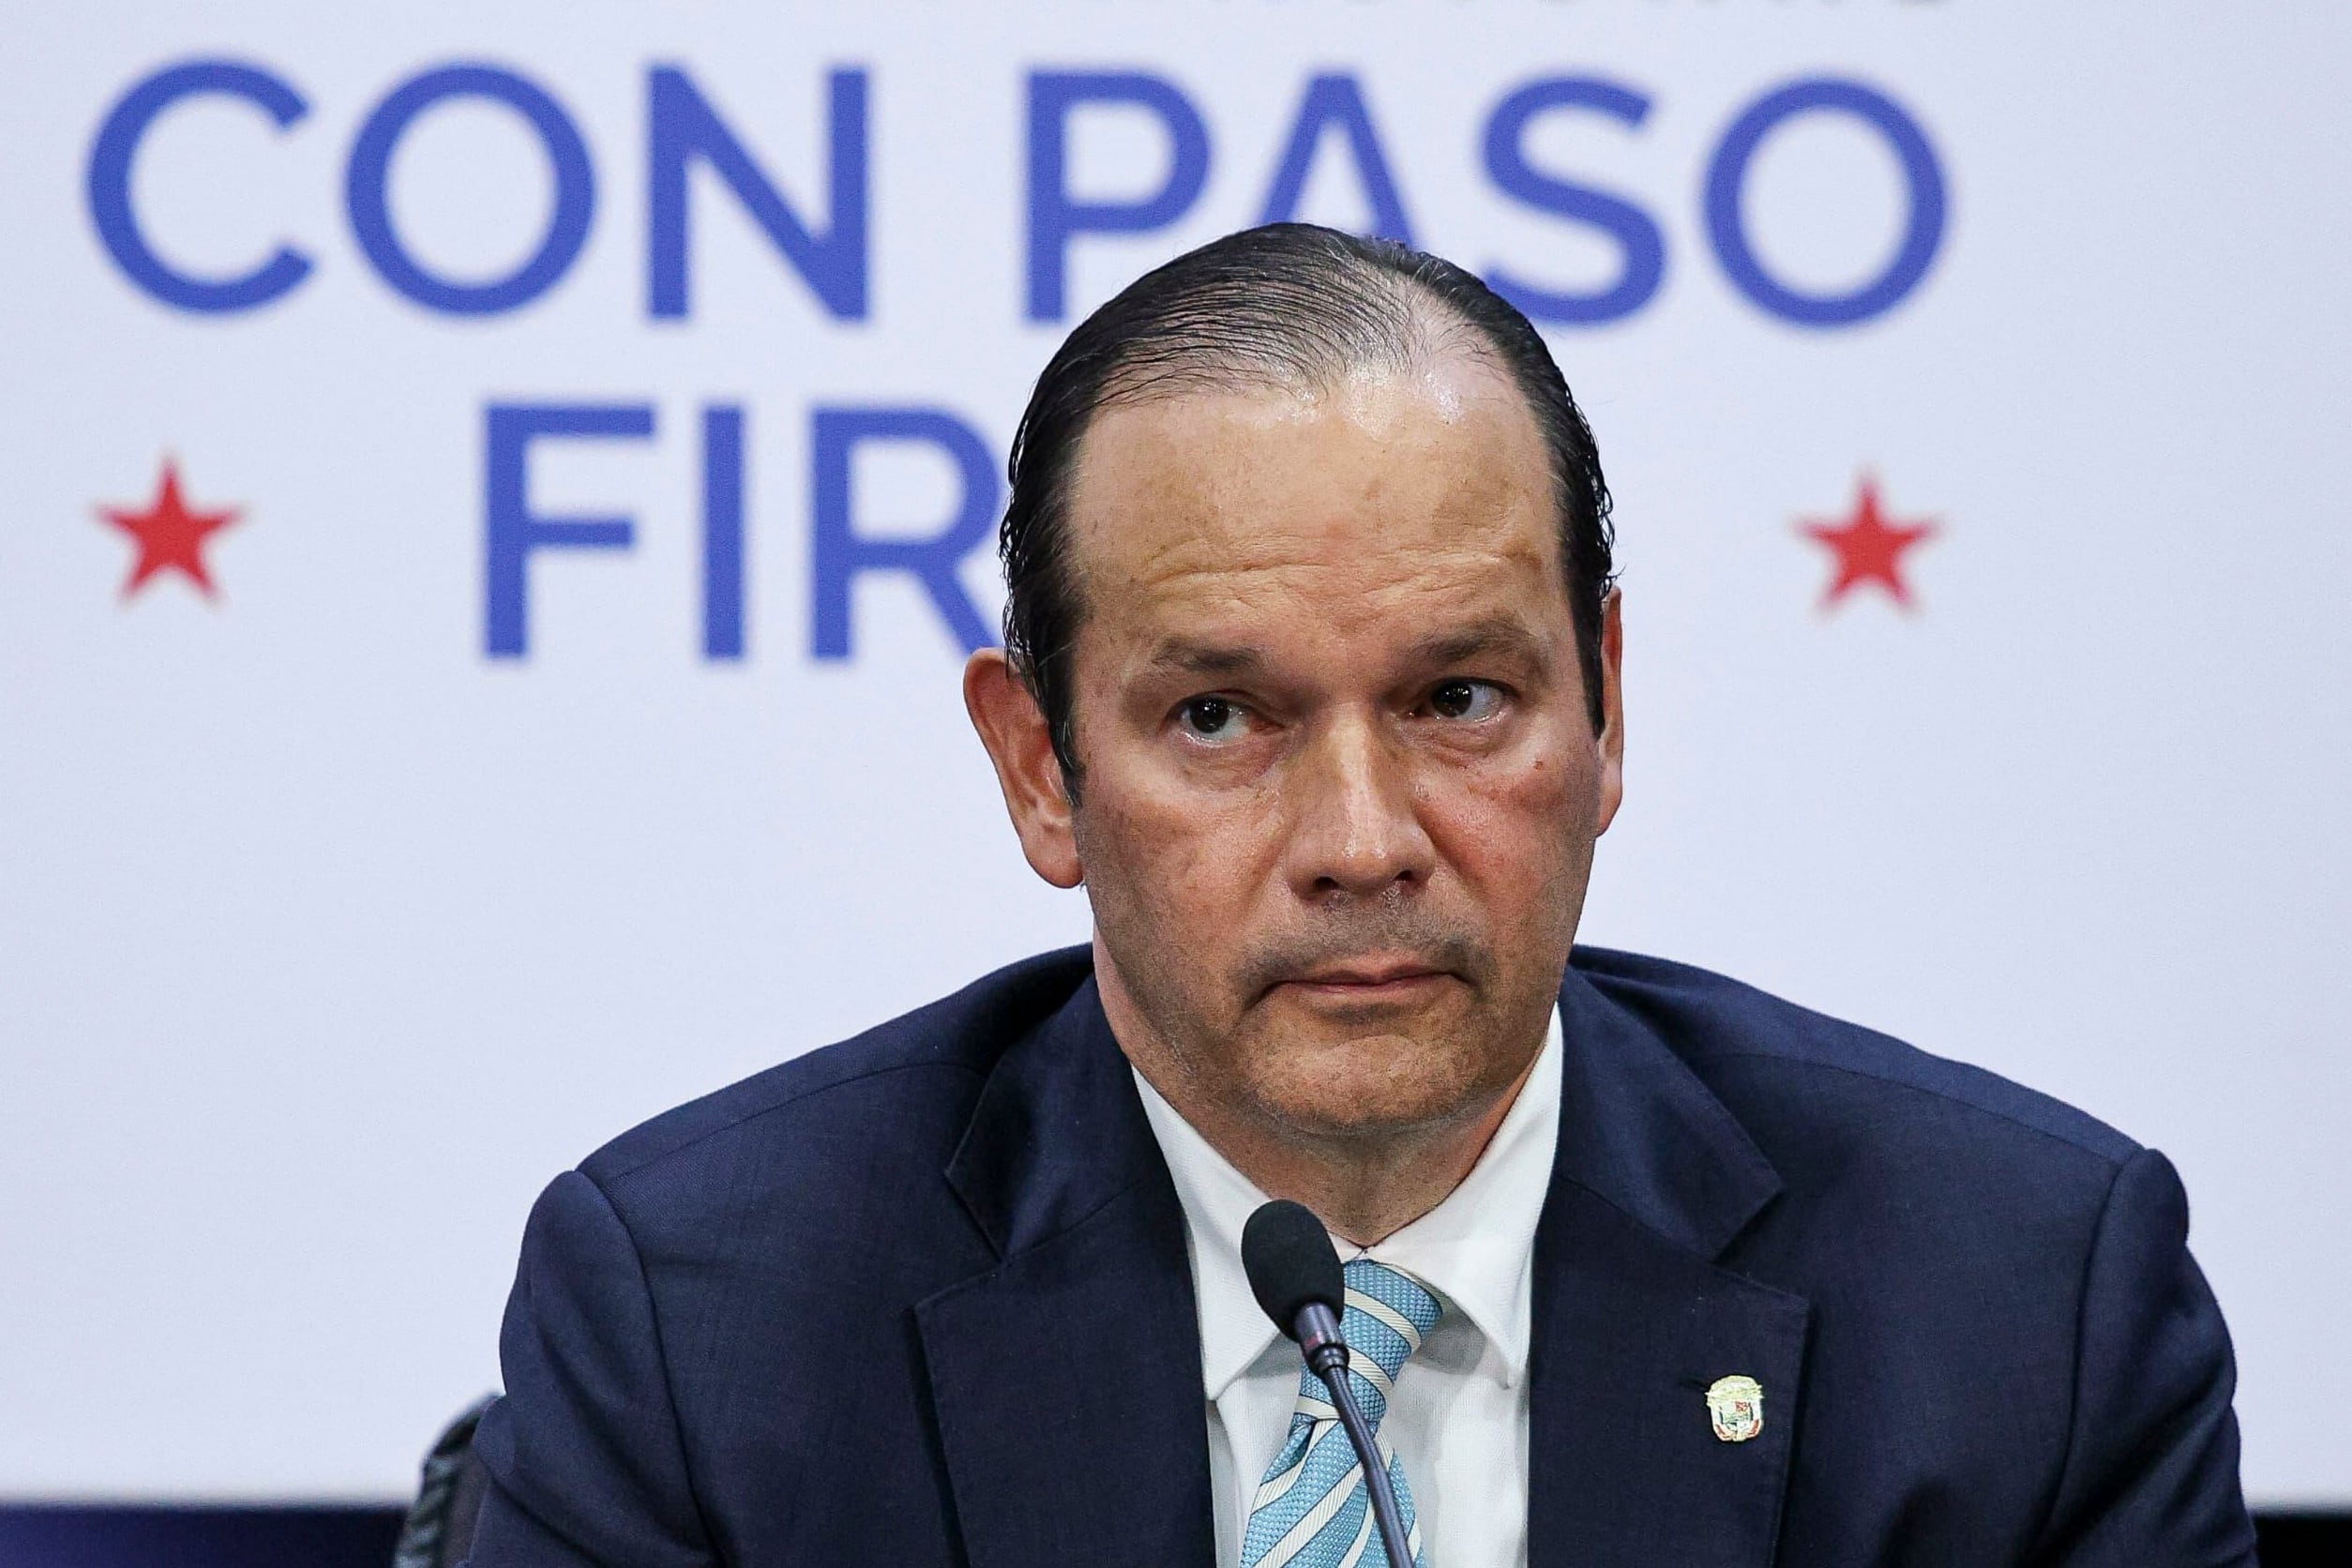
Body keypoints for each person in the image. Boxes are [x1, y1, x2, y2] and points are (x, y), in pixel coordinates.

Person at [464, 223, 2254, 1567]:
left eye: (1459, 700)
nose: (1363, 838)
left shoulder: (2026, 1311)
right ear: (1037, 766)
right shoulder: (707, 1327)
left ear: (1607, 710)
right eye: (1221, 717)